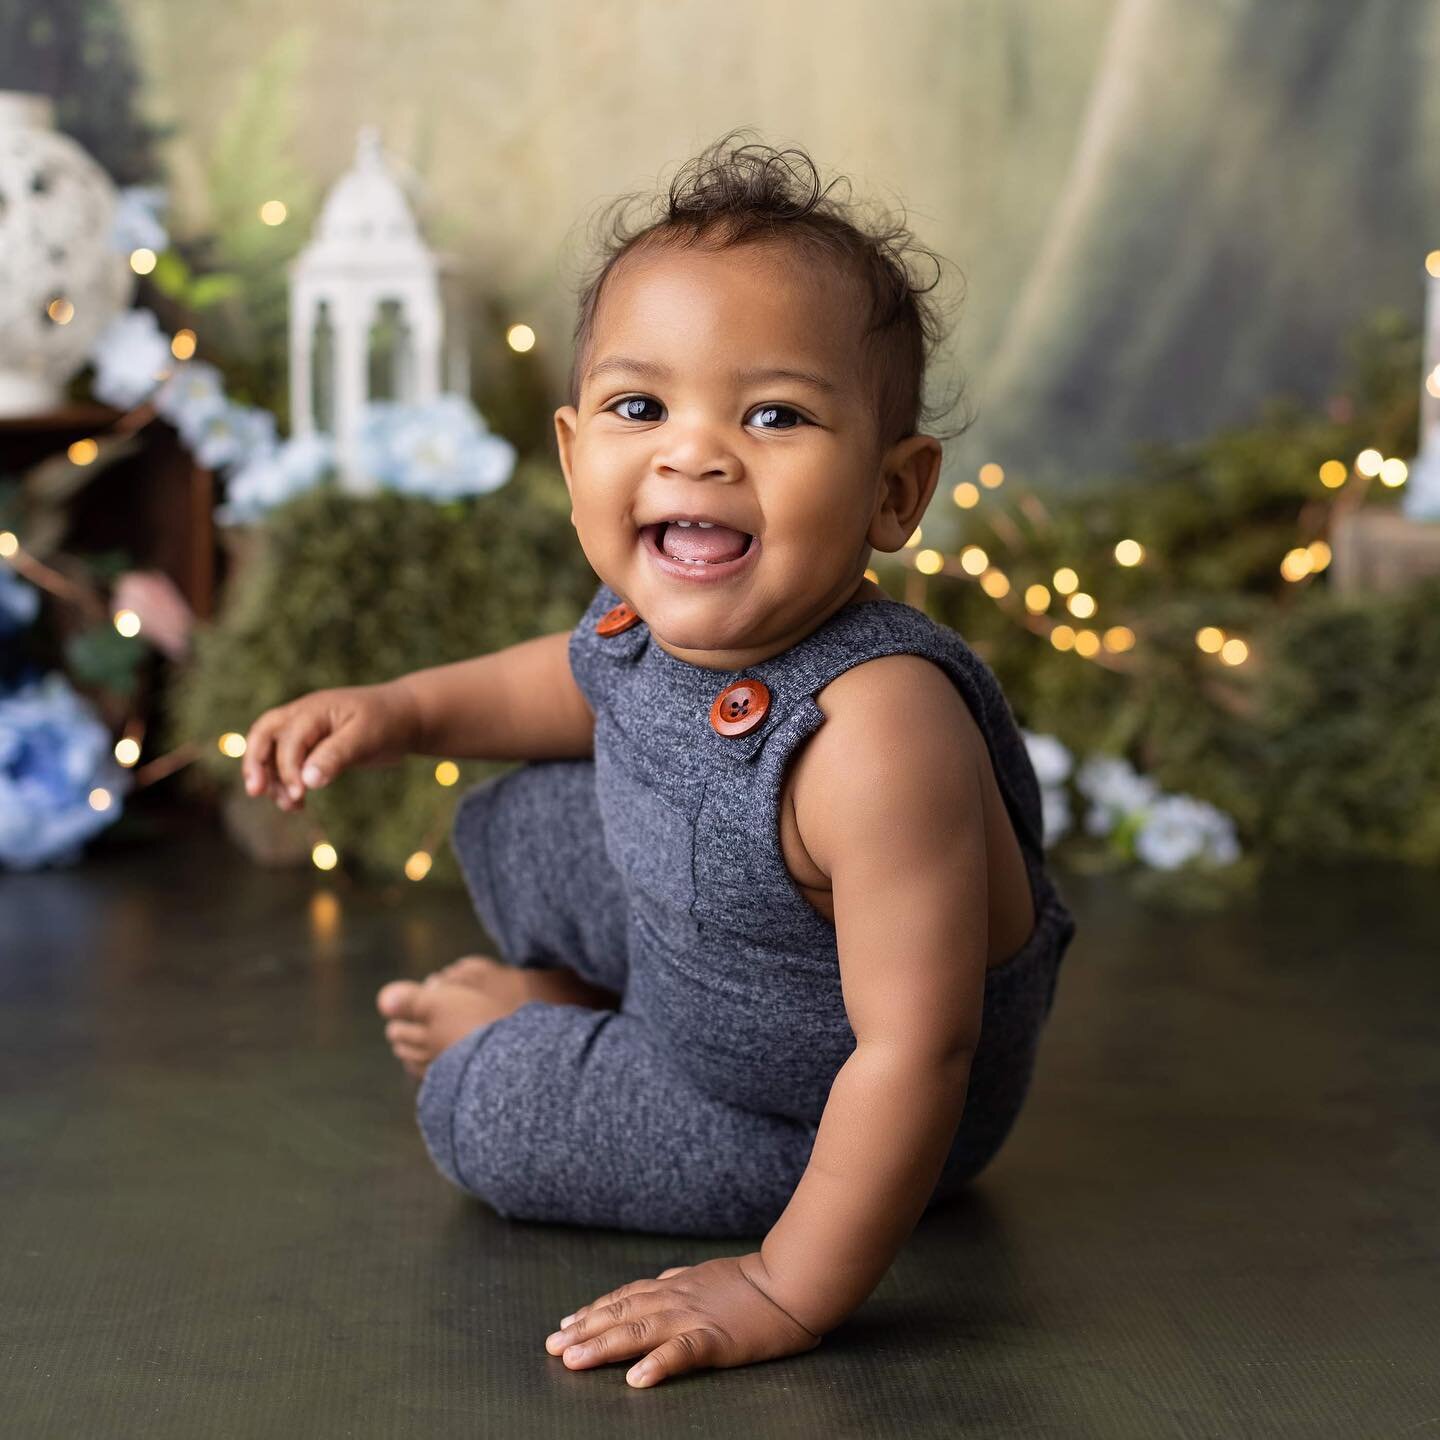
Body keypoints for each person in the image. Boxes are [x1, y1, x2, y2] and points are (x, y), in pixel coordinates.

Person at [241, 129, 1077, 1389]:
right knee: (519, 817)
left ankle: (565, 1043)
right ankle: (605, 1012)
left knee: (491, 1118)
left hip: (813, 1110)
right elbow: (571, 683)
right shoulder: (648, 616)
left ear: (895, 495)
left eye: (775, 414)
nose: (695, 452)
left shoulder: (879, 732)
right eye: (643, 407)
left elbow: (916, 1054)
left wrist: (782, 1285)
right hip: (714, 964)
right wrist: (401, 710)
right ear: (578, 457)